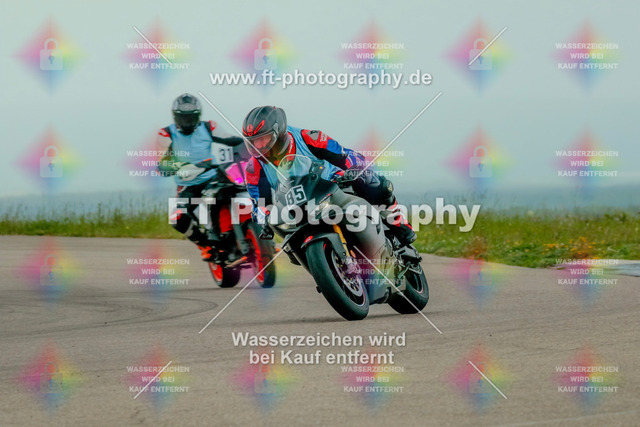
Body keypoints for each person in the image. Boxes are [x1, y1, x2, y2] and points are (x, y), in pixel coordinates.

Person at [241, 105, 416, 246]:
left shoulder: (309, 137)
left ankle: (398, 221)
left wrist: (355, 168)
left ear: (278, 133)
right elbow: (259, 204)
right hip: (297, 205)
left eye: (263, 139)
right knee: (287, 241)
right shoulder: (253, 168)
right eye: (253, 142)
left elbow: (344, 155)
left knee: (372, 181)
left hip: (332, 183)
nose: (258, 147)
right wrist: (265, 218)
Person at [157, 93, 243, 261]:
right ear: (176, 117)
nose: (187, 121)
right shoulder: (166, 134)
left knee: (238, 191)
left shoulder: (209, 127)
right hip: (187, 185)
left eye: (191, 117)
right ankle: (205, 245)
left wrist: (248, 144)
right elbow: (162, 163)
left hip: (213, 177)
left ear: (198, 116)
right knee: (177, 217)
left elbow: (231, 140)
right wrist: (173, 167)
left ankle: (258, 234)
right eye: (184, 117)